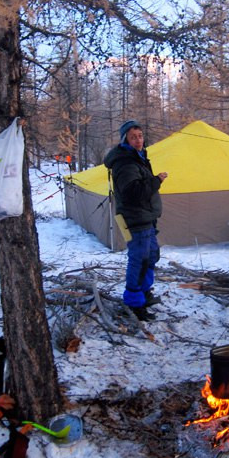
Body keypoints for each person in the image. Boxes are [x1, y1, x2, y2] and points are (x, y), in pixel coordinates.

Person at [104, 120, 168, 321]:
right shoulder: (125, 163)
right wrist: (156, 181)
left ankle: (144, 293)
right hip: (135, 219)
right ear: (125, 140)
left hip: (145, 217)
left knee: (151, 256)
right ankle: (134, 303)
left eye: (140, 136)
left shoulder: (138, 157)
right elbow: (133, 193)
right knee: (139, 260)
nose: (138, 140)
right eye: (133, 137)